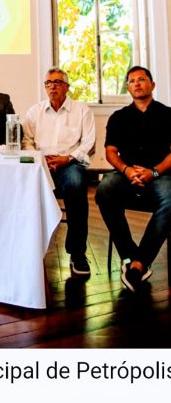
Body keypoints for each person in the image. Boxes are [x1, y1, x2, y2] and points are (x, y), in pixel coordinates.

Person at [95, 66, 171, 292]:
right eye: (132, 81)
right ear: (127, 88)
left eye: (142, 79)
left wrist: (153, 172)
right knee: (104, 189)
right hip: (126, 175)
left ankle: (139, 262)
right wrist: (127, 170)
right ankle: (131, 255)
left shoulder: (168, 115)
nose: (137, 83)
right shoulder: (119, 117)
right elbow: (110, 152)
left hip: (159, 175)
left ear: (152, 85)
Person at [22, 68, 96, 276]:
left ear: (67, 87)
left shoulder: (82, 110)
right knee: (23, 188)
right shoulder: (34, 112)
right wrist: (40, 159)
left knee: (76, 184)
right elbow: (26, 141)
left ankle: (77, 252)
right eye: (48, 83)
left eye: (57, 82)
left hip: (69, 164)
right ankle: (28, 250)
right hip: (41, 164)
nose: (52, 86)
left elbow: (89, 143)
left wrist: (68, 158)